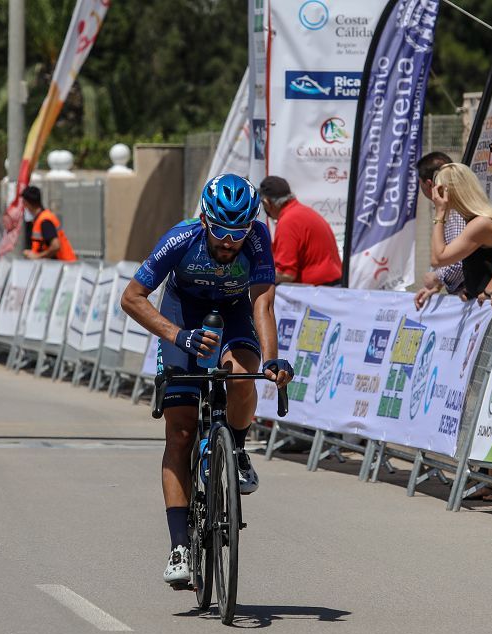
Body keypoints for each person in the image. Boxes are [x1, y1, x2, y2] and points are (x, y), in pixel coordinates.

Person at [120, 173, 293, 588]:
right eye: (220, 231)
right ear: (204, 220)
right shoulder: (180, 239)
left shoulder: (256, 241)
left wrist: (271, 360)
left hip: (232, 313)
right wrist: (178, 336)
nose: (229, 242)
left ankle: (235, 448)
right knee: (179, 433)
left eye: (239, 232)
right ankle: (179, 547)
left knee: (241, 373)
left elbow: (263, 303)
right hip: (184, 316)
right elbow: (132, 298)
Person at [426, 162, 492, 307]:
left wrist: (439, 213)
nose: (436, 196)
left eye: (440, 190)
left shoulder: (481, 223)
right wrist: (471, 289)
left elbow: (438, 258)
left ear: (451, 192)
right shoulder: (475, 220)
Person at [257, 176, 342, 286]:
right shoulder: (302, 212)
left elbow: (286, 274)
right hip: (331, 286)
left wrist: (253, 278)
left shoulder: (288, 222)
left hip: (318, 290)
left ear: (267, 203)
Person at [413, 152, 466, 309]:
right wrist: (436, 286)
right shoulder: (448, 209)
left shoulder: (455, 210)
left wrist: (437, 277)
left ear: (429, 184)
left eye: (420, 183)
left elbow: (459, 260)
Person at [20, 185, 77, 261]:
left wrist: (37, 256)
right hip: (63, 266)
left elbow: (56, 246)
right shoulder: (41, 218)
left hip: (65, 267)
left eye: (24, 203)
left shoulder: (44, 221)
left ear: (27, 203)